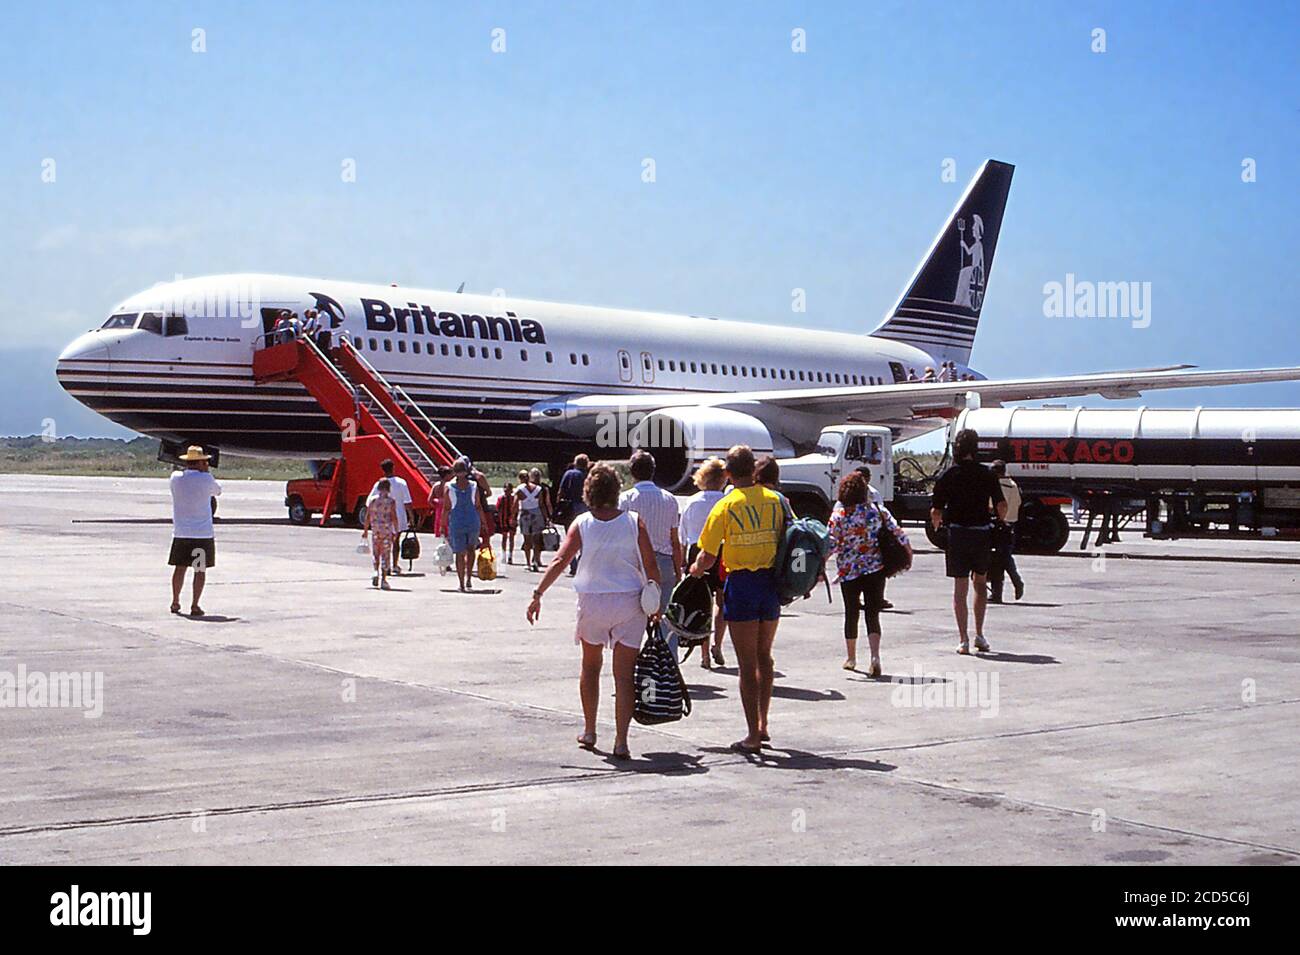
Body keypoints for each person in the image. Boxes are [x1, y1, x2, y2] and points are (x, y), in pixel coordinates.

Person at [527, 464, 661, 761]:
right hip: (629, 603)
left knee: (590, 667)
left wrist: (538, 594)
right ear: (617, 492)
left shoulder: (582, 523)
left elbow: (560, 561)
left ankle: (589, 730)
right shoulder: (634, 522)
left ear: (588, 492)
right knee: (624, 676)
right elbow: (652, 568)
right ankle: (622, 742)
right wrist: (656, 604)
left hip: (593, 602)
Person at [690, 445, 786, 754]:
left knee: (746, 665)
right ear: (754, 471)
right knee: (765, 656)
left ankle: (752, 735)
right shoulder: (775, 501)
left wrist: (694, 571)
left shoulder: (725, 505)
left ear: (728, 474)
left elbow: (707, 555)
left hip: (742, 583)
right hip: (771, 584)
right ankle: (764, 723)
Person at [931, 428, 1006, 655]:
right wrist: (1000, 519)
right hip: (981, 533)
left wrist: (937, 526)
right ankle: (979, 634)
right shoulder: (988, 474)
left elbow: (936, 510)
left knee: (959, 588)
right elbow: (1002, 506)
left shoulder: (948, 475)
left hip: (957, 534)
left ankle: (963, 639)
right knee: (980, 584)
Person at [829, 472, 912, 675]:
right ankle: (875, 656)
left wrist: (816, 568)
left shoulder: (839, 516)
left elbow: (829, 543)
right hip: (875, 569)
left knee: (851, 612)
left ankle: (851, 658)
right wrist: (908, 556)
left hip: (848, 571)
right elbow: (900, 534)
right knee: (872, 613)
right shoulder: (877, 511)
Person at [619, 451, 683, 653]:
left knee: (633, 620)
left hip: (636, 563)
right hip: (664, 562)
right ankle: (668, 665)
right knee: (665, 620)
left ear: (632, 472)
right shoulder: (670, 499)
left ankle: (635, 663)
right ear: (653, 471)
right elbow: (675, 539)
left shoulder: (626, 499)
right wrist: (678, 567)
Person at [678, 457, 729, 669]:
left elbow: (683, 534)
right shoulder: (727, 501)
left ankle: (705, 652)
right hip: (723, 550)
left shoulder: (693, 501)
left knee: (701, 602)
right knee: (721, 600)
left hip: (697, 549)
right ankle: (717, 644)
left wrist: (681, 560)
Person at [168, 445, 221, 617]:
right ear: (200, 463)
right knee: (199, 570)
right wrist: (206, 473)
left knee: (180, 568)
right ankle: (195, 604)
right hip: (201, 534)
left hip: (181, 533)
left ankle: (175, 601)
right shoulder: (206, 479)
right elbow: (217, 491)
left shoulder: (175, 478)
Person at [440, 458, 491, 591]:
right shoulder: (473, 486)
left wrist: (442, 525)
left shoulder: (449, 487)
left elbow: (446, 508)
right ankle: (468, 579)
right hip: (472, 521)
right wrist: (484, 523)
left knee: (460, 552)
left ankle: (462, 582)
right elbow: (478, 506)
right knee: (470, 550)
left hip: (456, 522)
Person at [988, 460, 1026, 603]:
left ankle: (1009, 586)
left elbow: (992, 506)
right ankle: (1001, 591)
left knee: (998, 559)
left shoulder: (997, 486)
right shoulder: (1013, 485)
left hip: (998, 525)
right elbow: (1018, 503)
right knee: (1004, 557)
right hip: (1010, 525)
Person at [368, 459, 413, 574]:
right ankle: (394, 564)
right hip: (399, 515)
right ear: (393, 468)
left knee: (383, 544)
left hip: (382, 517)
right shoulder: (401, 483)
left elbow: (369, 502)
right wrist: (411, 517)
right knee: (395, 541)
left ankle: (384, 566)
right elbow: (407, 502)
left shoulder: (379, 484)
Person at [556, 453, 590, 576]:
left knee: (570, 537)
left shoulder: (569, 474)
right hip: (584, 506)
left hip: (570, 507)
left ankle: (573, 565)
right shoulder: (588, 476)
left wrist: (558, 505)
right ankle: (582, 563)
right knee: (585, 537)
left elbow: (561, 491)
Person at [362, 479, 399, 589]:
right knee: (386, 554)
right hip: (386, 530)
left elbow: (368, 516)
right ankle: (383, 579)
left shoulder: (373, 501)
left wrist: (365, 530)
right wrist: (396, 530)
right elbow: (394, 517)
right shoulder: (391, 501)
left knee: (376, 552)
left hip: (375, 530)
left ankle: (375, 571)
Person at [515, 468, 550, 571]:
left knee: (527, 540)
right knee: (536, 540)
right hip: (537, 514)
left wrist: (513, 516)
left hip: (525, 514)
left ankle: (528, 562)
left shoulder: (520, 489)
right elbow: (542, 505)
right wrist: (547, 517)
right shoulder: (539, 489)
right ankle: (535, 561)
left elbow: (515, 504)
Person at [496, 480, 517, 564]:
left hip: (511, 520)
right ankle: (504, 555)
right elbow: (497, 509)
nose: (506, 490)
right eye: (505, 488)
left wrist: (514, 518)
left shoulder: (513, 499)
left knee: (511, 538)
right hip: (503, 520)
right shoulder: (501, 498)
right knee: (504, 538)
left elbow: (516, 508)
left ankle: (510, 556)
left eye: (508, 489)